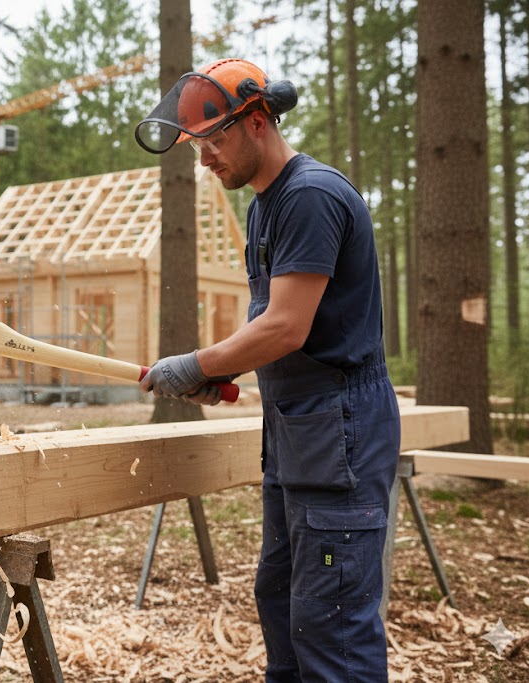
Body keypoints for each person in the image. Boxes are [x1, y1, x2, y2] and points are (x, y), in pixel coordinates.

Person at [134, 58, 401, 683]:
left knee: (330, 621)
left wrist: (195, 361)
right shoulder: (264, 205)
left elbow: (286, 325)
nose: (204, 162)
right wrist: (218, 373)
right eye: (195, 148)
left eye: (213, 141)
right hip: (298, 433)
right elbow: (275, 336)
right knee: (285, 605)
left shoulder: (310, 195)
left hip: (341, 433)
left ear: (257, 122)